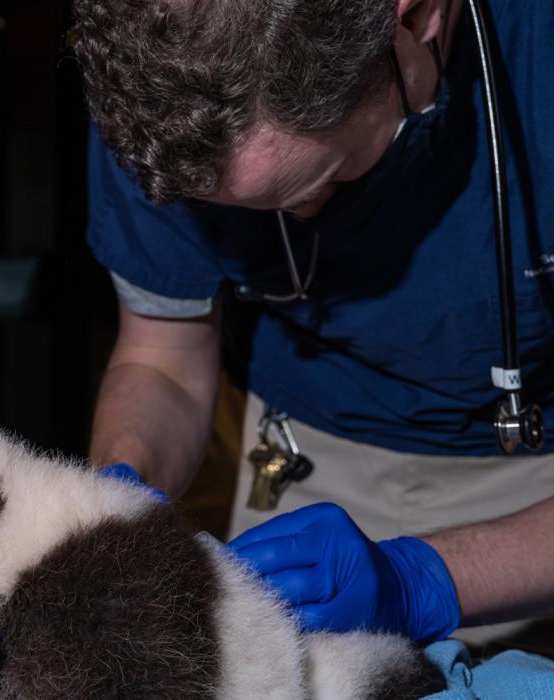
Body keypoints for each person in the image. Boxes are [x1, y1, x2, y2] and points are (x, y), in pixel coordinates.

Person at [71, 0, 554, 651]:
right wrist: (122, 491)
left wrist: (423, 582)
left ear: (414, 20)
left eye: (316, 183)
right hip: (305, 467)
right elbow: (163, 357)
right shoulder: (153, 79)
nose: (301, 218)